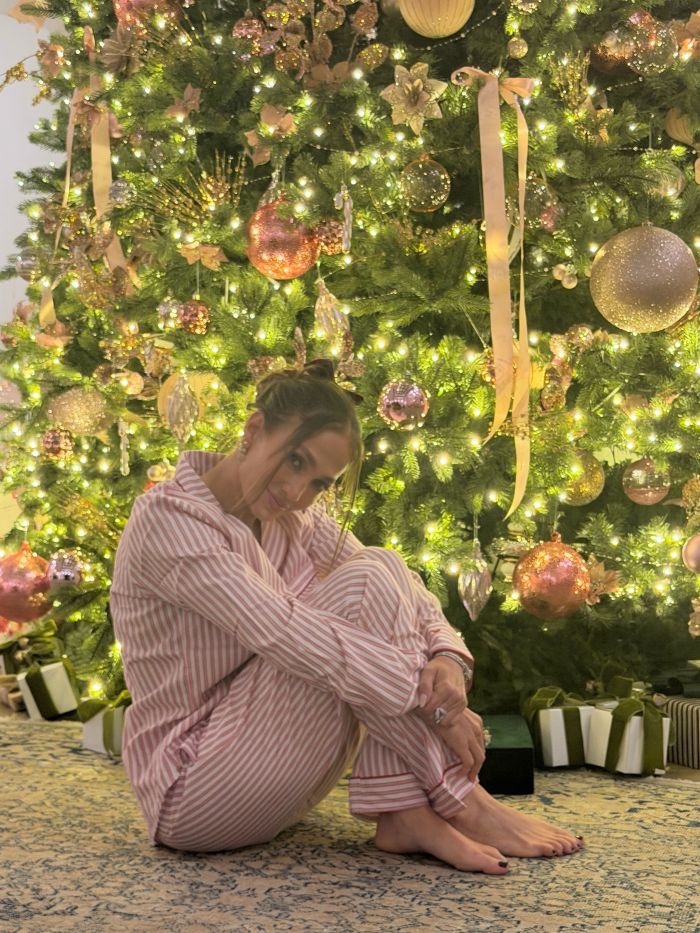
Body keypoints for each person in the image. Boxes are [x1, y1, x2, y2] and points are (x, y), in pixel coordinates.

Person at [111, 361, 583, 873]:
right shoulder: (169, 523)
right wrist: (437, 710)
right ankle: (459, 801)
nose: (296, 493)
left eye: (317, 482)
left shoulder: (289, 520)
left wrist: (447, 657)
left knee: (379, 566)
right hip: (192, 791)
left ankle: (407, 810)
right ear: (252, 430)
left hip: (267, 777)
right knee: (357, 593)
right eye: (294, 461)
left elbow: (399, 582)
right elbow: (285, 632)